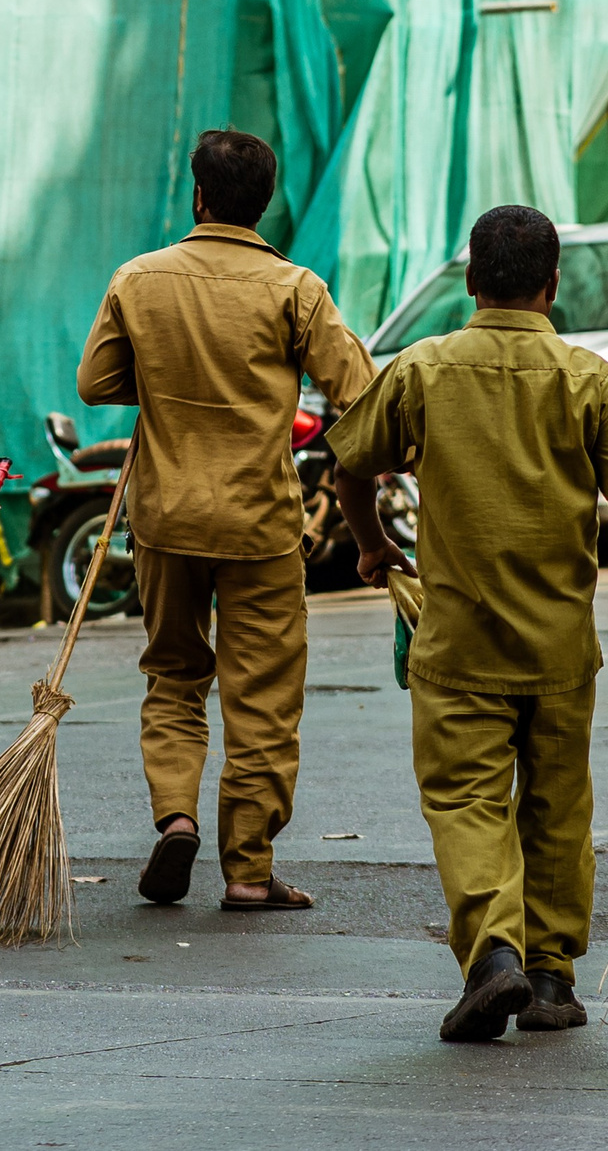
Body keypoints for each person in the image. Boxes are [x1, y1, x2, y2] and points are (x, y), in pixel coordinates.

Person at [325, 203, 608, 1042]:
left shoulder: (424, 370)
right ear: (552, 285)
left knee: (466, 800)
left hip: (460, 646)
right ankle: (553, 976)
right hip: (561, 647)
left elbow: (349, 468)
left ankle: (493, 959)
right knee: (558, 808)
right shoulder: (590, 377)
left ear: (473, 282)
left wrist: (374, 546)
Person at [77, 129, 373, 911]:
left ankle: (176, 816)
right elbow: (357, 391)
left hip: (165, 518)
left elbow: (96, 380)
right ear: (263, 202)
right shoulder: (297, 288)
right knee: (263, 695)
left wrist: (164, 374)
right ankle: (247, 869)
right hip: (260, 523)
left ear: (199, 197)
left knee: (174, 674)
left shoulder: (140, 278)